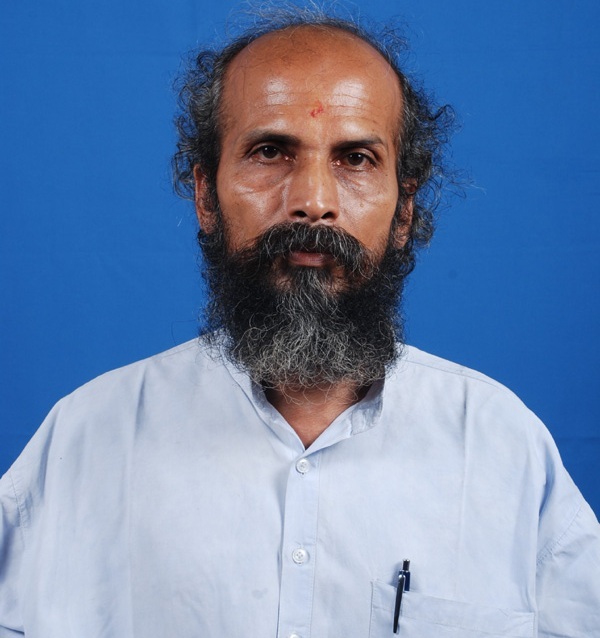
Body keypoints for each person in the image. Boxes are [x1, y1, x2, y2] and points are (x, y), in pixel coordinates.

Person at [1, 7, 599, 638]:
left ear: (404, 211)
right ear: (205, 196)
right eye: (270, 152)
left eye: (356, 159)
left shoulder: (502, 446)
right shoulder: (87, 440)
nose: (313, 201)